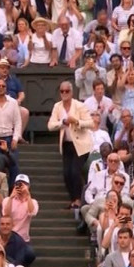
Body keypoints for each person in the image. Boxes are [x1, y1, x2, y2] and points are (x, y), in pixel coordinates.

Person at [48, 80, 95, 210]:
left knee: (75, 171)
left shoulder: (79, 105)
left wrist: (76, 121)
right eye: (62, 91)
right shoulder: (57, 106)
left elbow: (90, 123)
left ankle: (79, 200)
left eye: (67, 91)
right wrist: (63, 122)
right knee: (66, 173)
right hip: (66, 144)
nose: (64, 93)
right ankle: (73, 199)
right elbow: (50, 125)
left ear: (72, 92)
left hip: (81, 145)